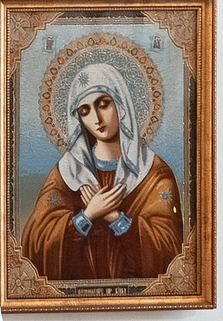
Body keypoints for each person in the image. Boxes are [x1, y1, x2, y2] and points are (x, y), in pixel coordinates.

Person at [20, 64, 183, 285]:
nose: (96, 118)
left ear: (121, 104)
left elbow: (169, 250)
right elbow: (35, 245)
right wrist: (86, 216)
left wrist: (115, 218)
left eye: (103, 104)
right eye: (85, 111)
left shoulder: (154, 173)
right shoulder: (68, 172)